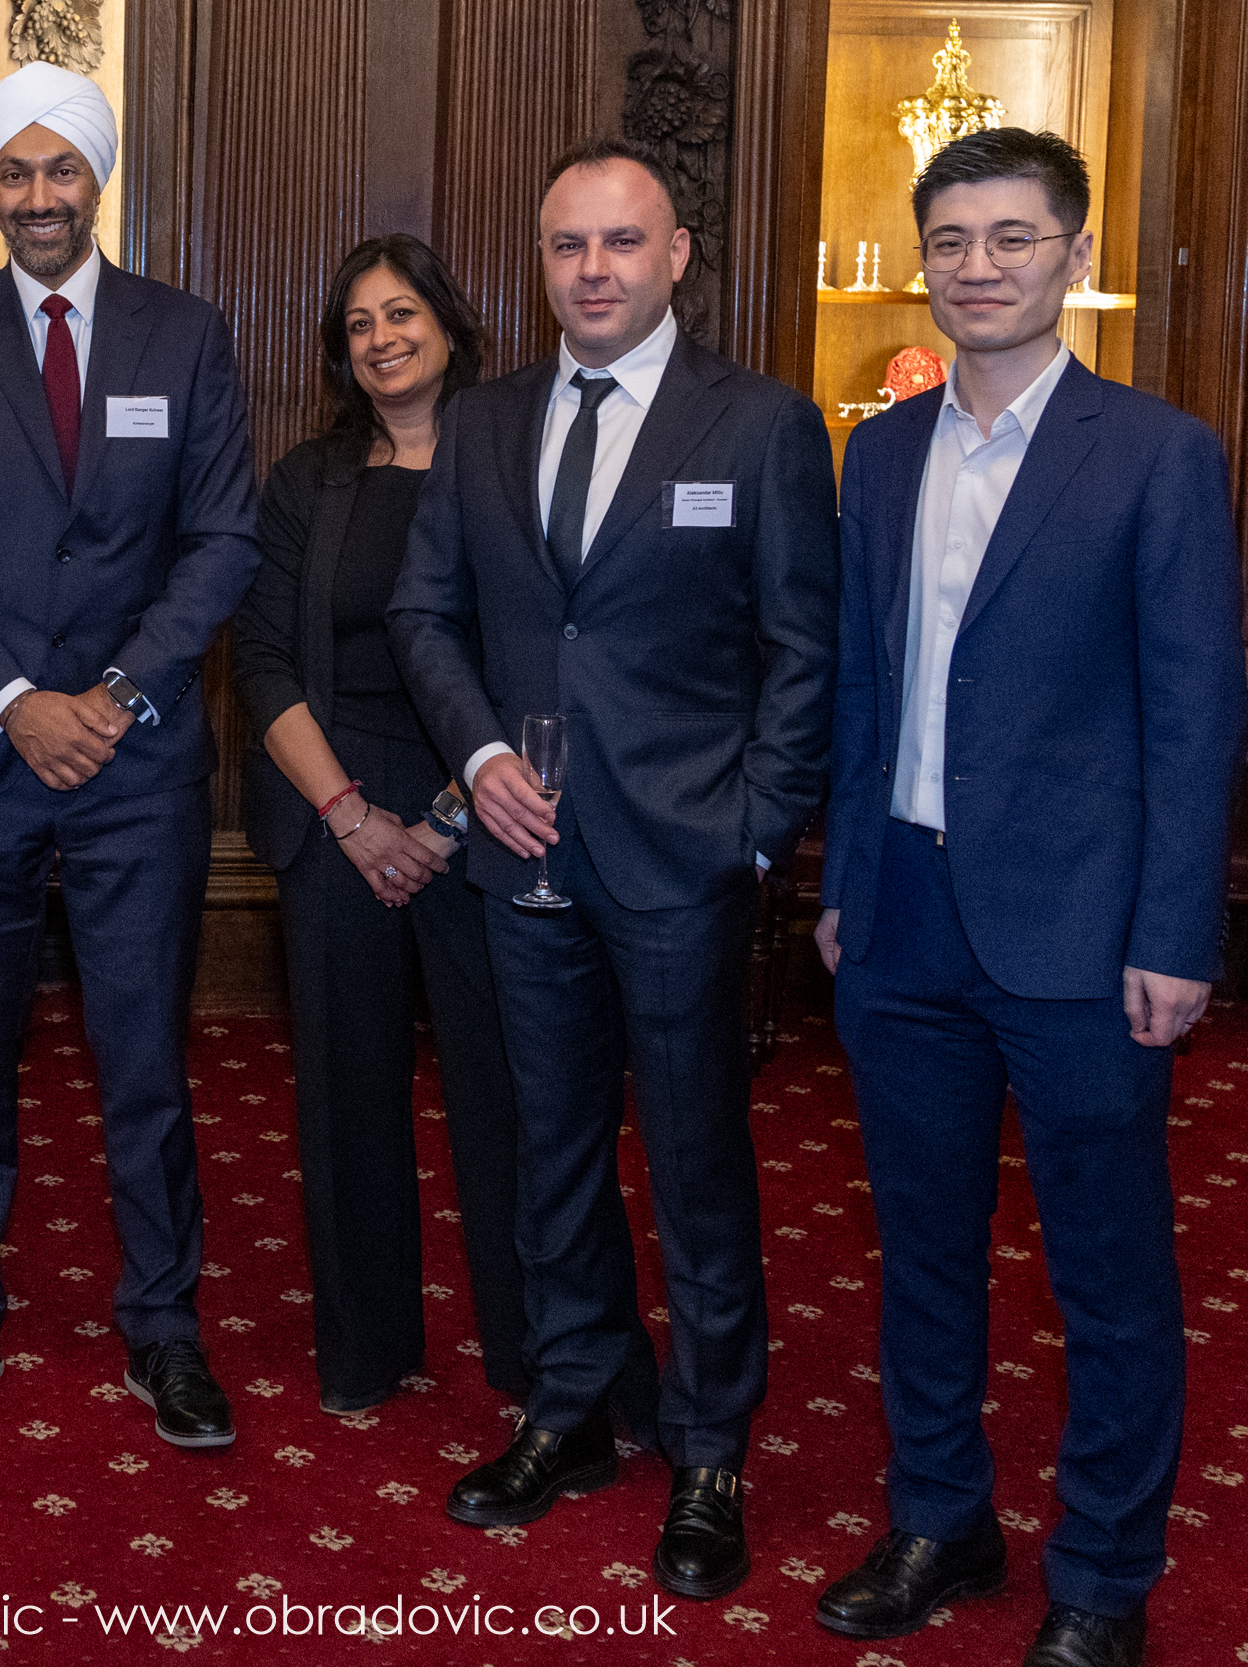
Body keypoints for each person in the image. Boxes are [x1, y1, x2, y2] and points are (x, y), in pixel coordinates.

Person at [808, 129, 1236, 1667]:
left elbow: (1196, 720)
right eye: (952, 239)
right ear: (922, 256)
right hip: (902, 924)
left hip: (1085, 940)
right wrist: (848, 883)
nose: (977, 265)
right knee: (920, 1251)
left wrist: (1175, 936)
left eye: (1012, 237)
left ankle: (1106, 1579)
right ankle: (942, 1518)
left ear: (1072, 254)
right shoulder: (884, 452)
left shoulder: (1157, 453)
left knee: (1106, 1275)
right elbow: (867, 691)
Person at [389, 137, 837, 1600]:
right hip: (519, 850)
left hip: (685, 862)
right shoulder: (483, 421)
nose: (594, 270)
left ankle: (709, 1446)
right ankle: (572, 1406)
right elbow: (425, 615)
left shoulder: (759, 424)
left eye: (622, 244)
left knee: (700, 1161)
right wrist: (475, 763)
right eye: (568, 245)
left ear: (676, 256)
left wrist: (755, 827)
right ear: (542, 263)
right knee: (550, 1146)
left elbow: (803, 650)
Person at [0, 60, 258, 1450]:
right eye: (15, 174)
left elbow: (222, 542)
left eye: (61, 170)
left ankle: (165, 1322)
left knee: (143, 1057)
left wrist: (118, 694)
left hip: (136, 767)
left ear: (99, 176)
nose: (39, 196)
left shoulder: (185, 335)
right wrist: (19, 699)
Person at [227, 234, 526, 1415]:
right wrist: (354, 819)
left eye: (402, 313)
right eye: (358, 323)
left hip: (486, 811)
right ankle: (365, 1347)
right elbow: (259, 659)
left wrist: (448, 820)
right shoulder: (308, 479)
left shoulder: (511, 468)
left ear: (450, 325)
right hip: (334, 807)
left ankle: (524, 1353)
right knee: (346, 1098)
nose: (382, 337)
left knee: (503, 1096)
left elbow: (531, 661)